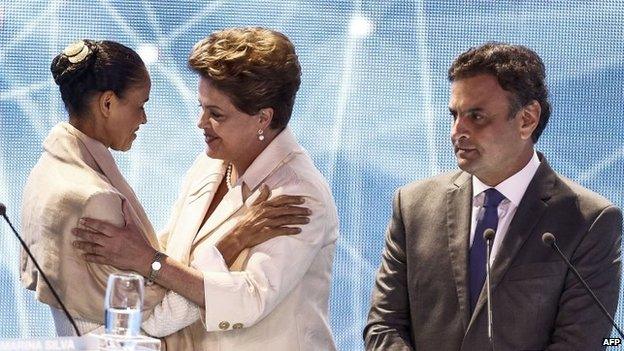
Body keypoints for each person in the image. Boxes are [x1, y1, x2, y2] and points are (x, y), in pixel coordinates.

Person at [72, 27, 339, 350]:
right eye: (201, 107)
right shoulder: (209, 165)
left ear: (263, 118)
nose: (201, 122)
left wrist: (147, 260)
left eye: (216, 114)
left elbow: (247, 302)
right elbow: (175, 260)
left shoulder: (299, 194)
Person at [20, 39, 304, 340]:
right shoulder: (95, 198)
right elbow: (146, 320)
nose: (143, 118)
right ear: (107, 103)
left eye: (216, 114)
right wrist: (234, 239)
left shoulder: (46, 172)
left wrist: (149, 258)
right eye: (140, 106)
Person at [364, 42, 622, 350]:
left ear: (527, 119)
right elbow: (383, 326)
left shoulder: (589, 221)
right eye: (454, 114)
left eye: (476, 117)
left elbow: (581, 343)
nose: (457, 130)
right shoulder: (413, 205)